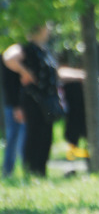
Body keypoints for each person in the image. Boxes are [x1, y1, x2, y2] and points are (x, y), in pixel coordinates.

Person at [2, 23, 63, 177]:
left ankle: (35, 172)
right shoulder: (23, 49)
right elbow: (8, 59)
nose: (49, 30)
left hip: (43, 103)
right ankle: (12, 172)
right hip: (23, 103)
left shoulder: (43, 52)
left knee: (40, 138)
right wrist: (26, 73)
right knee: (19, 138)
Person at [1, 60, 26, 177]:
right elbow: (9, 84)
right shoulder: (9, 58)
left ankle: (25, 169)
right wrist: (16, 106)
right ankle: (7, 171)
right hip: (14, 106)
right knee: (13, 137)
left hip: (20, 104)